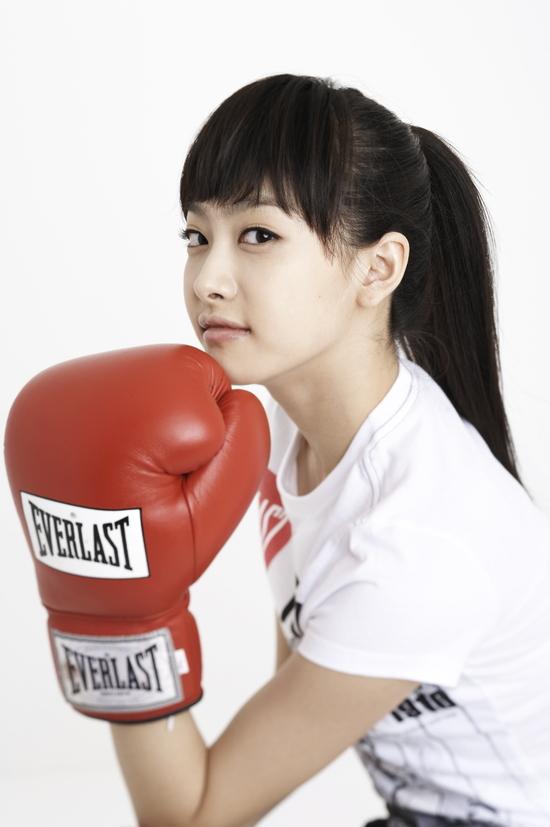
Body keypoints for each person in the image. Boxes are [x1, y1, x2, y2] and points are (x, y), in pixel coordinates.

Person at [6, 72, 550, 827]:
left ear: (378, 269)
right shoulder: (290, 429)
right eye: (197, 236)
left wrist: (123, 612)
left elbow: (192, 819)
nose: (208, 280)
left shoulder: (415, 541)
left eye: (258, 235)